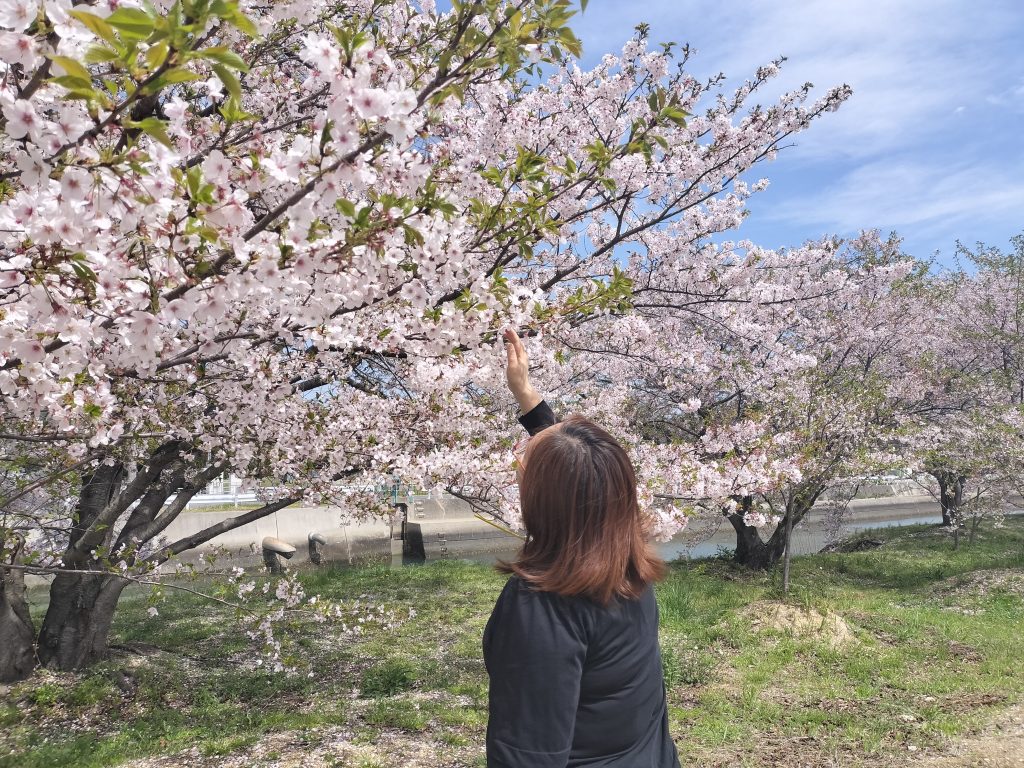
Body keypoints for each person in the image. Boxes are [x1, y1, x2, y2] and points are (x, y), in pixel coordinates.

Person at [483, 329, 681, 768]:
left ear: (548, 500)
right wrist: (527, 396)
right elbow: (585, 471)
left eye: (526, 462)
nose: (518, 463)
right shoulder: (626, 567)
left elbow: (528, 756)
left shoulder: (543, 609)